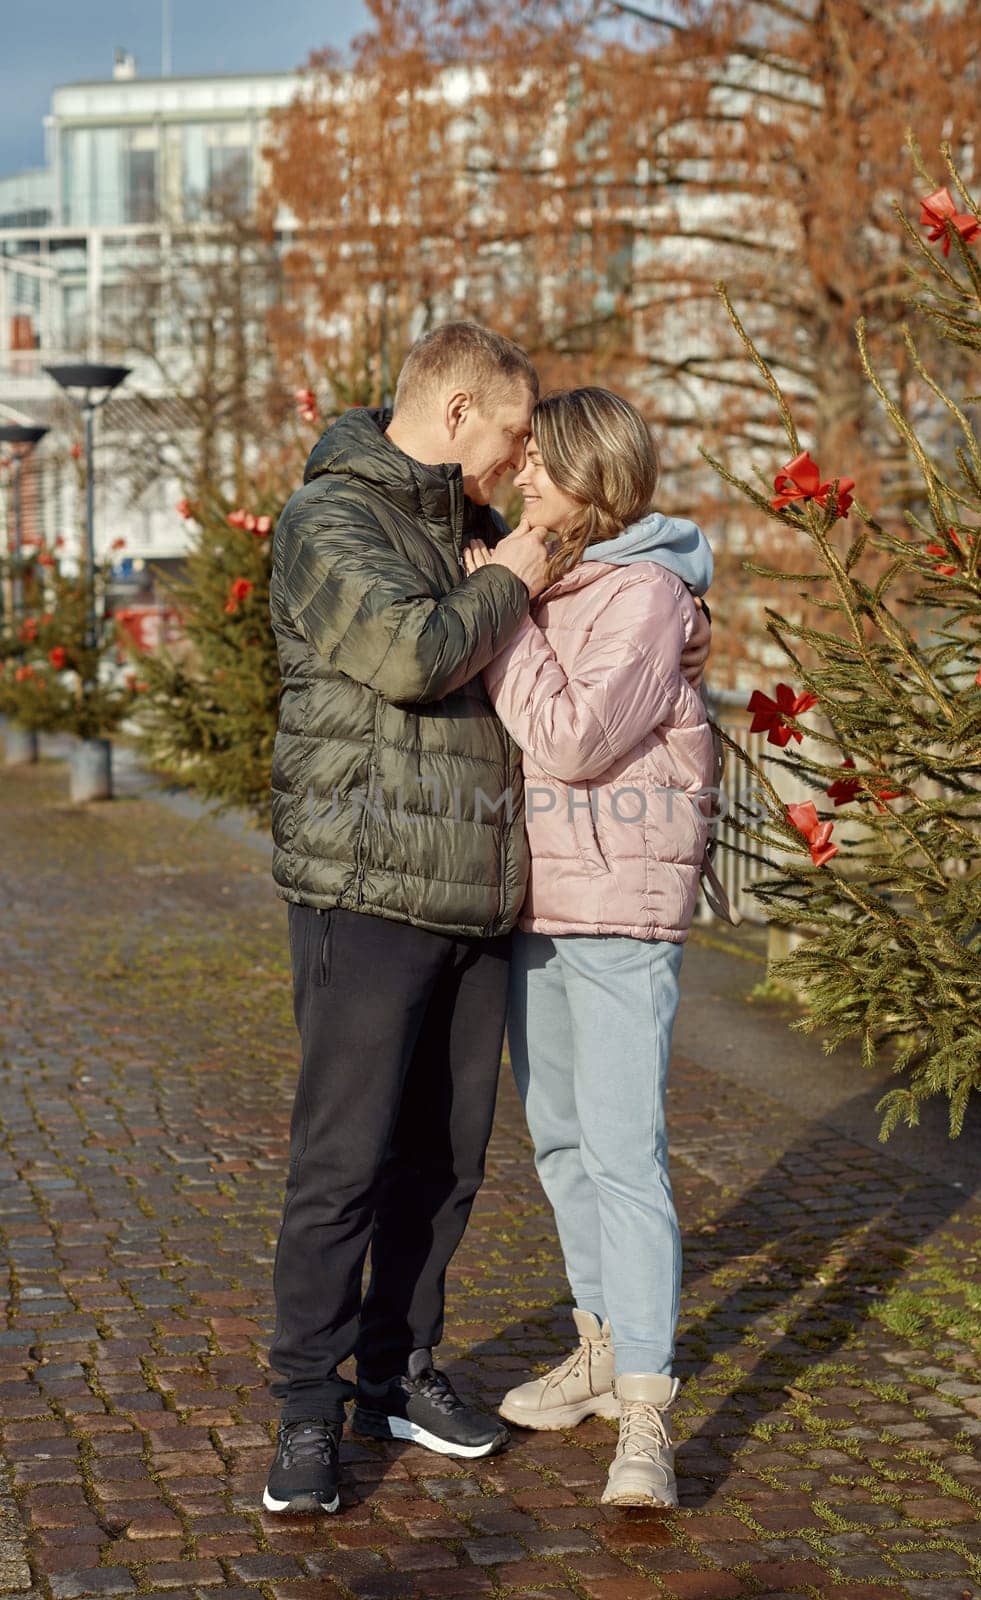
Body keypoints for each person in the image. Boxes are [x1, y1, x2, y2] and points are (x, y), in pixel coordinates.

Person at [262, 322, 553, 1515]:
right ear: (455, 413)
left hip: (475, 894)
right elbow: (406, 651)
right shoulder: (327, 520)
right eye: (514, 434)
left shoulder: (465, 527)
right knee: (342, 1160)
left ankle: (397, 1367)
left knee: (445, 1159)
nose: (520, 459)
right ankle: (302, 1410)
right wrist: (518, 569)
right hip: (368, 888)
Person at [464, 387, 715, 1509]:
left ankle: (652, 1416)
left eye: (542, 467)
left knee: (624, 1153)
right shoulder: (557, 582)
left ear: (593, 479)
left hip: (620, 909)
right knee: (560, 1143)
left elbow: (570, 740)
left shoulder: (649, 590)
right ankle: (603, 1349)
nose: (523, 477)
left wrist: (499, 610)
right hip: (540, 905)